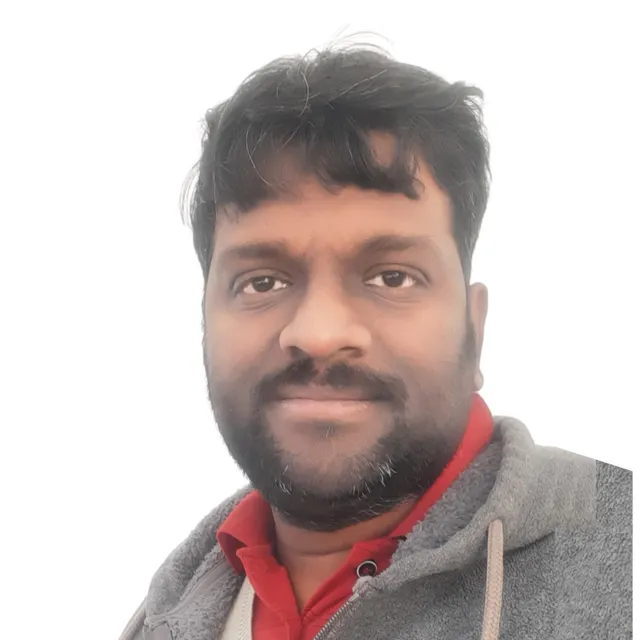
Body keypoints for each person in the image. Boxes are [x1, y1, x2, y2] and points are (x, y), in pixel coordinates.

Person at [119, 44, 632, 640]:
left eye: (392, 277)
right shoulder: (167, 612)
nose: (319, 334)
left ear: (475, 328)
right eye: (262, 282)